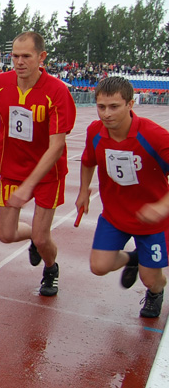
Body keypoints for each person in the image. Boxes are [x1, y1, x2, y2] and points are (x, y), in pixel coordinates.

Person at [0, 31, 77, 297]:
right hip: (12, 170)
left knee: (43, 237)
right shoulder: (0, 83)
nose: (19, 62)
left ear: (41, 57)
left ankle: (51, 268)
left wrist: (28, 186)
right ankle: (34, 238)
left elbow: (57, 145)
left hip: (47, 174)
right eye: (15, 56)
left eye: (26, 56)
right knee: (6, 234)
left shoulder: (57, 92)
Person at [76, 76, 169, 318]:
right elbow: (87, 162)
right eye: (101, 107)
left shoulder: (154, 136)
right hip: (115, 215)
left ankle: (156, 292)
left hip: (152, 222)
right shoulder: (95, 132)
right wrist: (83, 191)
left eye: (114, 107)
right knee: (98, 267)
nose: (106, 114)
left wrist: (162, 206)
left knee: (152, 279)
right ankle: (133, 258)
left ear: (130, 104)